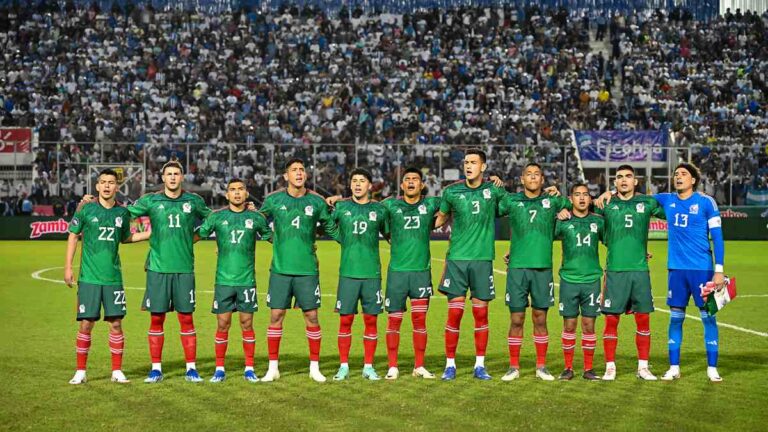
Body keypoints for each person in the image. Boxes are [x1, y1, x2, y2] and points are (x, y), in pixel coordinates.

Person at [64, 169, 150, 385]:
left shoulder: (122, 213)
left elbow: (127, 238)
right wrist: (68, 267)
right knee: (86, 323)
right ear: (97, 186)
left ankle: (117, 371)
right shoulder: (86, 209)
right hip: (89, 279)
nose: (107, 186)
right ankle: (81, 371)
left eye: (111, 183)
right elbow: (73, 236)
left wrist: (150, 233)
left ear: (117, 187)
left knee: (116, 324)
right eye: (103, 182)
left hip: (113, 278)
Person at [130, 159, 212, 383]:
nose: (173, 177)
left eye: (177, 174)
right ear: (163, 178)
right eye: (169, 174)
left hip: (184, 269)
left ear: (182, 177)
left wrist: (194, 237)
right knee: (157, 318)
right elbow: (124, 215)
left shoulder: (193, 201)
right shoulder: (151, 200)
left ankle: (191, 369)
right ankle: (156, 369)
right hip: (158, 269)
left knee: (187, 318)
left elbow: (213, 220)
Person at [258, 158, 339, 383]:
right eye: (294, 170)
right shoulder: (274, 200)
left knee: (311, 316)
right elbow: (257, 220)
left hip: (307, 270)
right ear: (286, 176)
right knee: (276, 315)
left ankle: (315, 367)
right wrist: (270, 237)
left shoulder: (317, 201)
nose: (299, 173)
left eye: (302, 170)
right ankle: (272, 367)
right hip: (281, 269)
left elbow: (330, 226)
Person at [435, 149, 506, 380]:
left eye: (474, 162)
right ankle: (450, 365)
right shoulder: (451, 191)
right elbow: (440, 218)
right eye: (466, 162)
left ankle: (479, 365)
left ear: (483, 167)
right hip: (457, 260)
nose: (468, 166)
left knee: (481, 314)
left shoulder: (493, 190)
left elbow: (516, 209)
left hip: (482, 260)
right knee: (454, 314)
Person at [497, 162, 572, 381]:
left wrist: (565, 207)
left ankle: (541, 367)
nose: (532, 177)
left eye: (536, 174)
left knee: (540, 318)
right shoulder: (512, 201)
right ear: (522, 179)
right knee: (517, 319)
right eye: (528, 174)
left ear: (542, 180)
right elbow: (491, 208)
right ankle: (513, 367)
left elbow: (580, 203)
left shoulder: (553, 201)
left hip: (542, 268)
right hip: (518, 268)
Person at [655, 164, 725, 382]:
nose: (678, 177)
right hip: (676, 270)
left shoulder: (706, 202)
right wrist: (610, 193)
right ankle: (674, 367)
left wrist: (719, 270)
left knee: (708, 318)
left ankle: (712, 368)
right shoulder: (667, 199)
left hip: (702, 270)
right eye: (676, 174)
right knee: (675, 319)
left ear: (693, 180)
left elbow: (718, 237)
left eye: (684, 174)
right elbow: (637, 198)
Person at [593, 165, 664, 381]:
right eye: (619, 177)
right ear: (614, 183)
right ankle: (610, 367)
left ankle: (643, 367)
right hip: (615, 271)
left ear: (636, 181)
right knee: (611, 320)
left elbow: (673, 210)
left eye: (629, 176)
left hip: (640, 271)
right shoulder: (606, 203)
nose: (624, 180)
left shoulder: (647, 203)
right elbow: (587, 220)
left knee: (643, 319)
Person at [197, 178, 272, 383]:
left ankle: (249, 368)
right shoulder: (217, 217)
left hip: (246, 280)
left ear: (246, 193)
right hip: (224, 281)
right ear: (227, 194)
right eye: (232, 190)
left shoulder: (256, 218)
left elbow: (273, 238)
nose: (237, 193)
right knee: (223, 324)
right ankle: (219, 369)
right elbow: (196, 236)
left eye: (240, 189)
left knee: (247, 324)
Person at [379, 168, 441, 380]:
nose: (412, 182)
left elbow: (453, 202)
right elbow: (368, 211)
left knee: (420, 321)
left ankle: (419, 366)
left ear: (422, 185)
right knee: (394, 321)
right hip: (397, 273)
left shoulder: (431, 203)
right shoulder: (390, 204)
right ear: (402, 186)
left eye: (416, 179)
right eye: (407, 180)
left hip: (421, 273)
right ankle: (393, 366)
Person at [330, 168, 389, 381]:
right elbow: (327, 224)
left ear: (369, 186)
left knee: (371, 320)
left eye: (362, 181)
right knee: (345, 320)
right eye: (354, 181)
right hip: (348, 273)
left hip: (371, 274)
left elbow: (389, 232)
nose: (357, 184)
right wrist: (341, 238)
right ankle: (344, 366)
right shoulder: (342, 206)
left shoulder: (380, 210)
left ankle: (368, 366)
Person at [553, 183, 603, 381]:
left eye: (585, 195)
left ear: (590, 199)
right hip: (569, 280)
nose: (581, 198)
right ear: (571, 199)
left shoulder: (599, 222)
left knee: (589, 325)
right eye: (577, 195)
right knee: (570, 324)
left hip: (592, 280)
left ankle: (588, 369)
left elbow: (612, 241)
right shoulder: (563, 222)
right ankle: (568, 368)